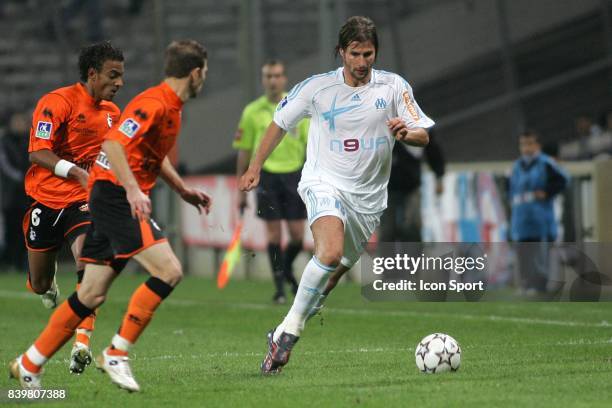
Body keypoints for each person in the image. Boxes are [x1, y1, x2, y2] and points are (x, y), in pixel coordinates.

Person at [9, 40, 211, 392]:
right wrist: (132, 190)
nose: (118, 83)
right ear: (195, 73)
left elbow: (150, 154)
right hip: (109, 195)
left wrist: (183, 191)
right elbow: (115, 145)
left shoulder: (164, 108)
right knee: (169, 270)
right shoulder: (153, 104)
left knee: (90, 293)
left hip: (95, 197)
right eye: (113, 75)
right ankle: (116, 353)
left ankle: (29, 364)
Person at [240, 16, 434, 374]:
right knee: (327, 253)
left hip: (369, 199)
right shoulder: (317, 88)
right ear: (341, 52)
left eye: (369, 54)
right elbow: (279, 124)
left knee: (327, 282)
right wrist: (254, 167)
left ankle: (281, 331)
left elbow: (423, 133)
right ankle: (289, 336)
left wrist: (407, 132)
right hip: (323, 182)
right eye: (355, 54)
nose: (362, 62)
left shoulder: (393, 87)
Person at [21, 41, 124, 374]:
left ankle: (82, 342)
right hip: (46, 199)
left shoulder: (113, 114)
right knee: (38, 283)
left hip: (83, 202)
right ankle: (47, 285)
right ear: (92, 73)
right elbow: (38, 153)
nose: (119, 83)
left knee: (88, 263)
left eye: (121, 76)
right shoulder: (57, 102)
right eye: (113, 75)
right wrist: (76, 171)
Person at [233, 60, 309, 304]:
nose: (273, 80)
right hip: (267, 176)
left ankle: (285, 271)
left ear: (284, 78)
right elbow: (244, 152)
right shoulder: (251, 111)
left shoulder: (298, 107)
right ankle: (279, 288)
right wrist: (241, 189)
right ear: (263, 79)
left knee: (298, 236)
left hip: (295, 174)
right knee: (274, 235)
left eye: (277, 75)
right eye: (269, 76)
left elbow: (309, 145)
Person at [510, 130, 569, 293]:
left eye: (530, 143)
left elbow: (563, 180)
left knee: (538, 252)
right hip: (521, 217)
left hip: (539, 217)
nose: (526, 148)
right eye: (523, 144)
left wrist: (547, 192)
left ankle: (540, 284)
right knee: (523, 252)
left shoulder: (546, 163)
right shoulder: (517, 166)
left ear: (537, 145)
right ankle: (526, 283)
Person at [380, 130, 445, 243]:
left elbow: (433, 152)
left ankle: (414, 260)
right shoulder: (382, 123)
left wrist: (439, 177)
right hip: (386, 188)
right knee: (387, 230)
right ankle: (387, 260)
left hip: (411, 186)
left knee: (412, 227)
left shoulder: (420, 125)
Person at [0, 111, 30, 271]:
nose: (21, 124)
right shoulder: (4, 142)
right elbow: (5, 166)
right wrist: (22, 178)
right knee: (11, 229)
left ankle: (21, 263)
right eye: (17, 121)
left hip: (27, 194)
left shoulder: (28, 141)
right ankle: (8, 262)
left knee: (25, 230)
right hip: (10, 195)